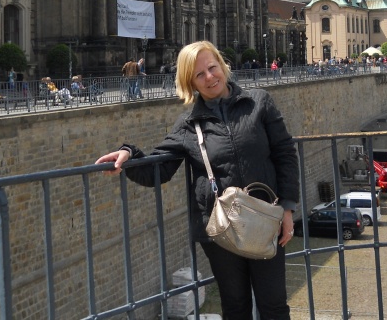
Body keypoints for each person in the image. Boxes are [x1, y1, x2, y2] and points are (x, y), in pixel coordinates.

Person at [95, 41, 298, 319]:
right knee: (235, 306)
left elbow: (285, 153)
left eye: (212, 68)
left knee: (273, 305)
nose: (209, 77)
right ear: (189, 82)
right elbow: (160, 169)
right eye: (199, 74)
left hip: (265, 220)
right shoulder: (188, 123)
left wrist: (286, 209)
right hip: (220, 230)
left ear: (222, 65)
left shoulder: (258, 102)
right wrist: (128, 153)